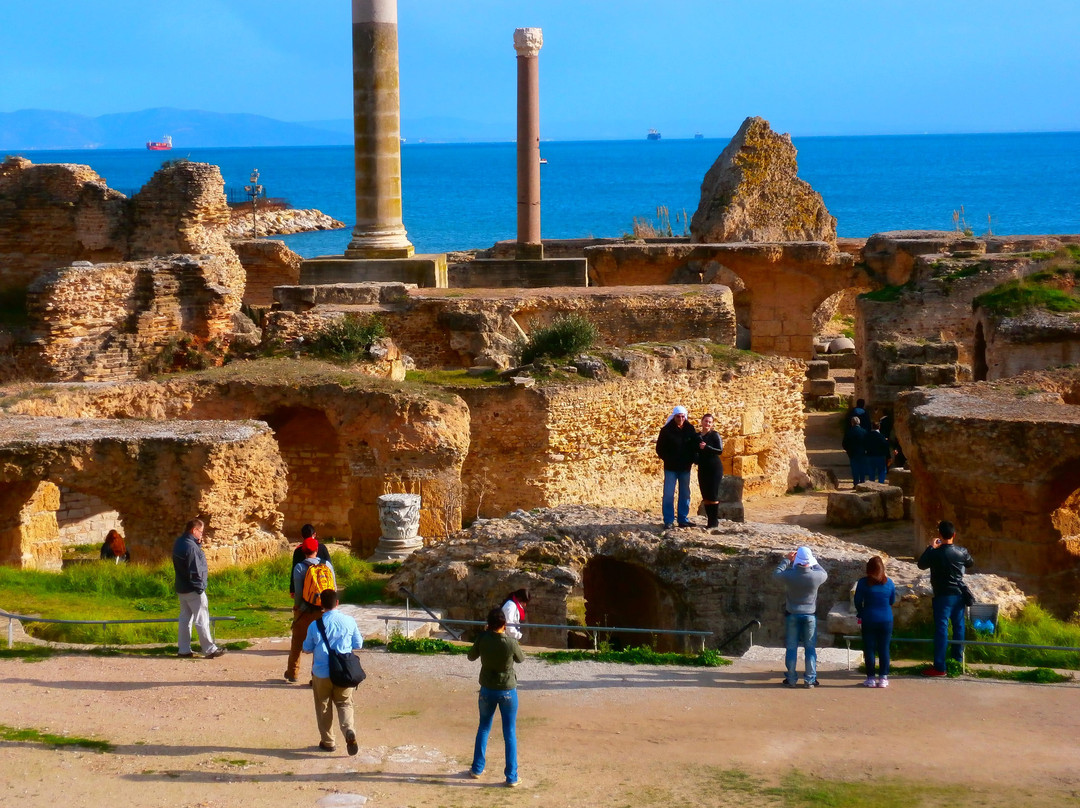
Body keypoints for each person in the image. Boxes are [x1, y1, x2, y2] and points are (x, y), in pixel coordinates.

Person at [467, 607, 525, 787]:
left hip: (487, 688)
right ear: (504, 624)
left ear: (488, 624)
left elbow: (471, 657)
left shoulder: (483, 638)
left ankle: (477, 768)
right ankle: (511, 776)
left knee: (484, 727)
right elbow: (521, 659)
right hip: (507, 689)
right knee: (509, 732)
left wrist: (483, 637)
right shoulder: (510, 642)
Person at [302, 589, 363, 754]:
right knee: (344, 703)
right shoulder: (349, 621)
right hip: (343, 671)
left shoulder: (315, 625)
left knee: (323, 706)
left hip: (322, 672)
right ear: (337, 603)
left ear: (321, 605)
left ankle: (328, 742)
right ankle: (349, 730)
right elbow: (358, 643)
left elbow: (306, 648)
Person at [917, 520, 974, 676]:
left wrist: (931, 546)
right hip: (959, 595)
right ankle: (957, 661)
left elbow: (921, 564)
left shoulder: (935, 553)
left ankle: (940, 667)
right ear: (954, 535)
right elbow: (970, 563)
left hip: (942, 596)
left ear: (940, 535)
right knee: (959, 627)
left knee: (941, 630)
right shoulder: (961, 551)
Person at [774, 546, 828, 688]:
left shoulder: (789, 575)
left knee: (791, 647)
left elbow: (776, 573)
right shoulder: (817, 576)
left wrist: (787, 559)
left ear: (796, 559)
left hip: (792, 614)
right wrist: (813, 560)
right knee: (810, 648)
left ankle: (791, 679)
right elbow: (823, 571)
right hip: (810, 615)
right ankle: (810, 680)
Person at [172, 518, 225, 659]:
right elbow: (195, 569)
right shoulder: (191, 547)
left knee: (184, 619)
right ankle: (209, 649)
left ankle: (183, 649)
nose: (202, 535)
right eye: (200, 532)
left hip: (182, 587)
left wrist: (197, 545)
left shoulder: (180, 542)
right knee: (202, 619)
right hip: (193, 589)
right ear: (194, 530)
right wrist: (200, 588)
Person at [286, 536, 336, 684]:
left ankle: (293, 672)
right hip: (324, 610)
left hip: (305, 610)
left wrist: (297, 608)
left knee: (297, 642)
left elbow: (299, 593)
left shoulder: (300, 567)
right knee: (320, 643)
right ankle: (316, 677)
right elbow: (333, 587)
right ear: (317, 550)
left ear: (303, 551)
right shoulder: (327, 565)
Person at [854, 556, 896, 688]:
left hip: (869, 618)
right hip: (886, 619)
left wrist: (861, 611)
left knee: (869, 648)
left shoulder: (863, 583)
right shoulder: (889, 583)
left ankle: (871, 678)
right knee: (884, 648)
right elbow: (892, 600)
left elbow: (857, 601)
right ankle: (883, 677)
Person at [655, 405, 699, 528]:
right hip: (671, 468)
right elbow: (659, 449)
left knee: (685, 493)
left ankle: (682, 519)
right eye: (678, 416)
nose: (680, 418)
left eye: (682, 416)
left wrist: (692, 459)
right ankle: (668, 520)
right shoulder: (666, 430)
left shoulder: (690, 429)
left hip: (685, 467)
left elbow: (694, 446)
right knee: (669, 494)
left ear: (685, 417)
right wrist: (669, 459)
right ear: (674, 417)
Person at [696, 413, 724, 528]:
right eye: (706, 421)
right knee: (705, 495)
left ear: (712, 424)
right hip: (703, 467)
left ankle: (713, 521)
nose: (707, 424)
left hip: (714, 468)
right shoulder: (697, 436)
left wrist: (706, 447)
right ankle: (709, 521)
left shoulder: (714, 435)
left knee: (713, 495)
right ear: (702, 422)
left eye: (710, 422)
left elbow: (720, 450)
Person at [289, 524, 332, 596]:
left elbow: (294, 569)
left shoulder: (298, 550)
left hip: (305, 587)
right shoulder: (322, 547)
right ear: (314, 534)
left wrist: (293, 589)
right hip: (323, 585)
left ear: (302, 536)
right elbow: (329, 566)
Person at [842, 416, 868, 487]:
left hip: (852, 453)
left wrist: (848, 450)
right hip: (862, 452)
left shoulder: (849, 432)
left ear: (852, 423)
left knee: (855, 469)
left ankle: (856, 483)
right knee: (862, 468)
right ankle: (862, 483)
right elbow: (867, 442)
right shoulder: (864, 431)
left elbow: (844, 443)